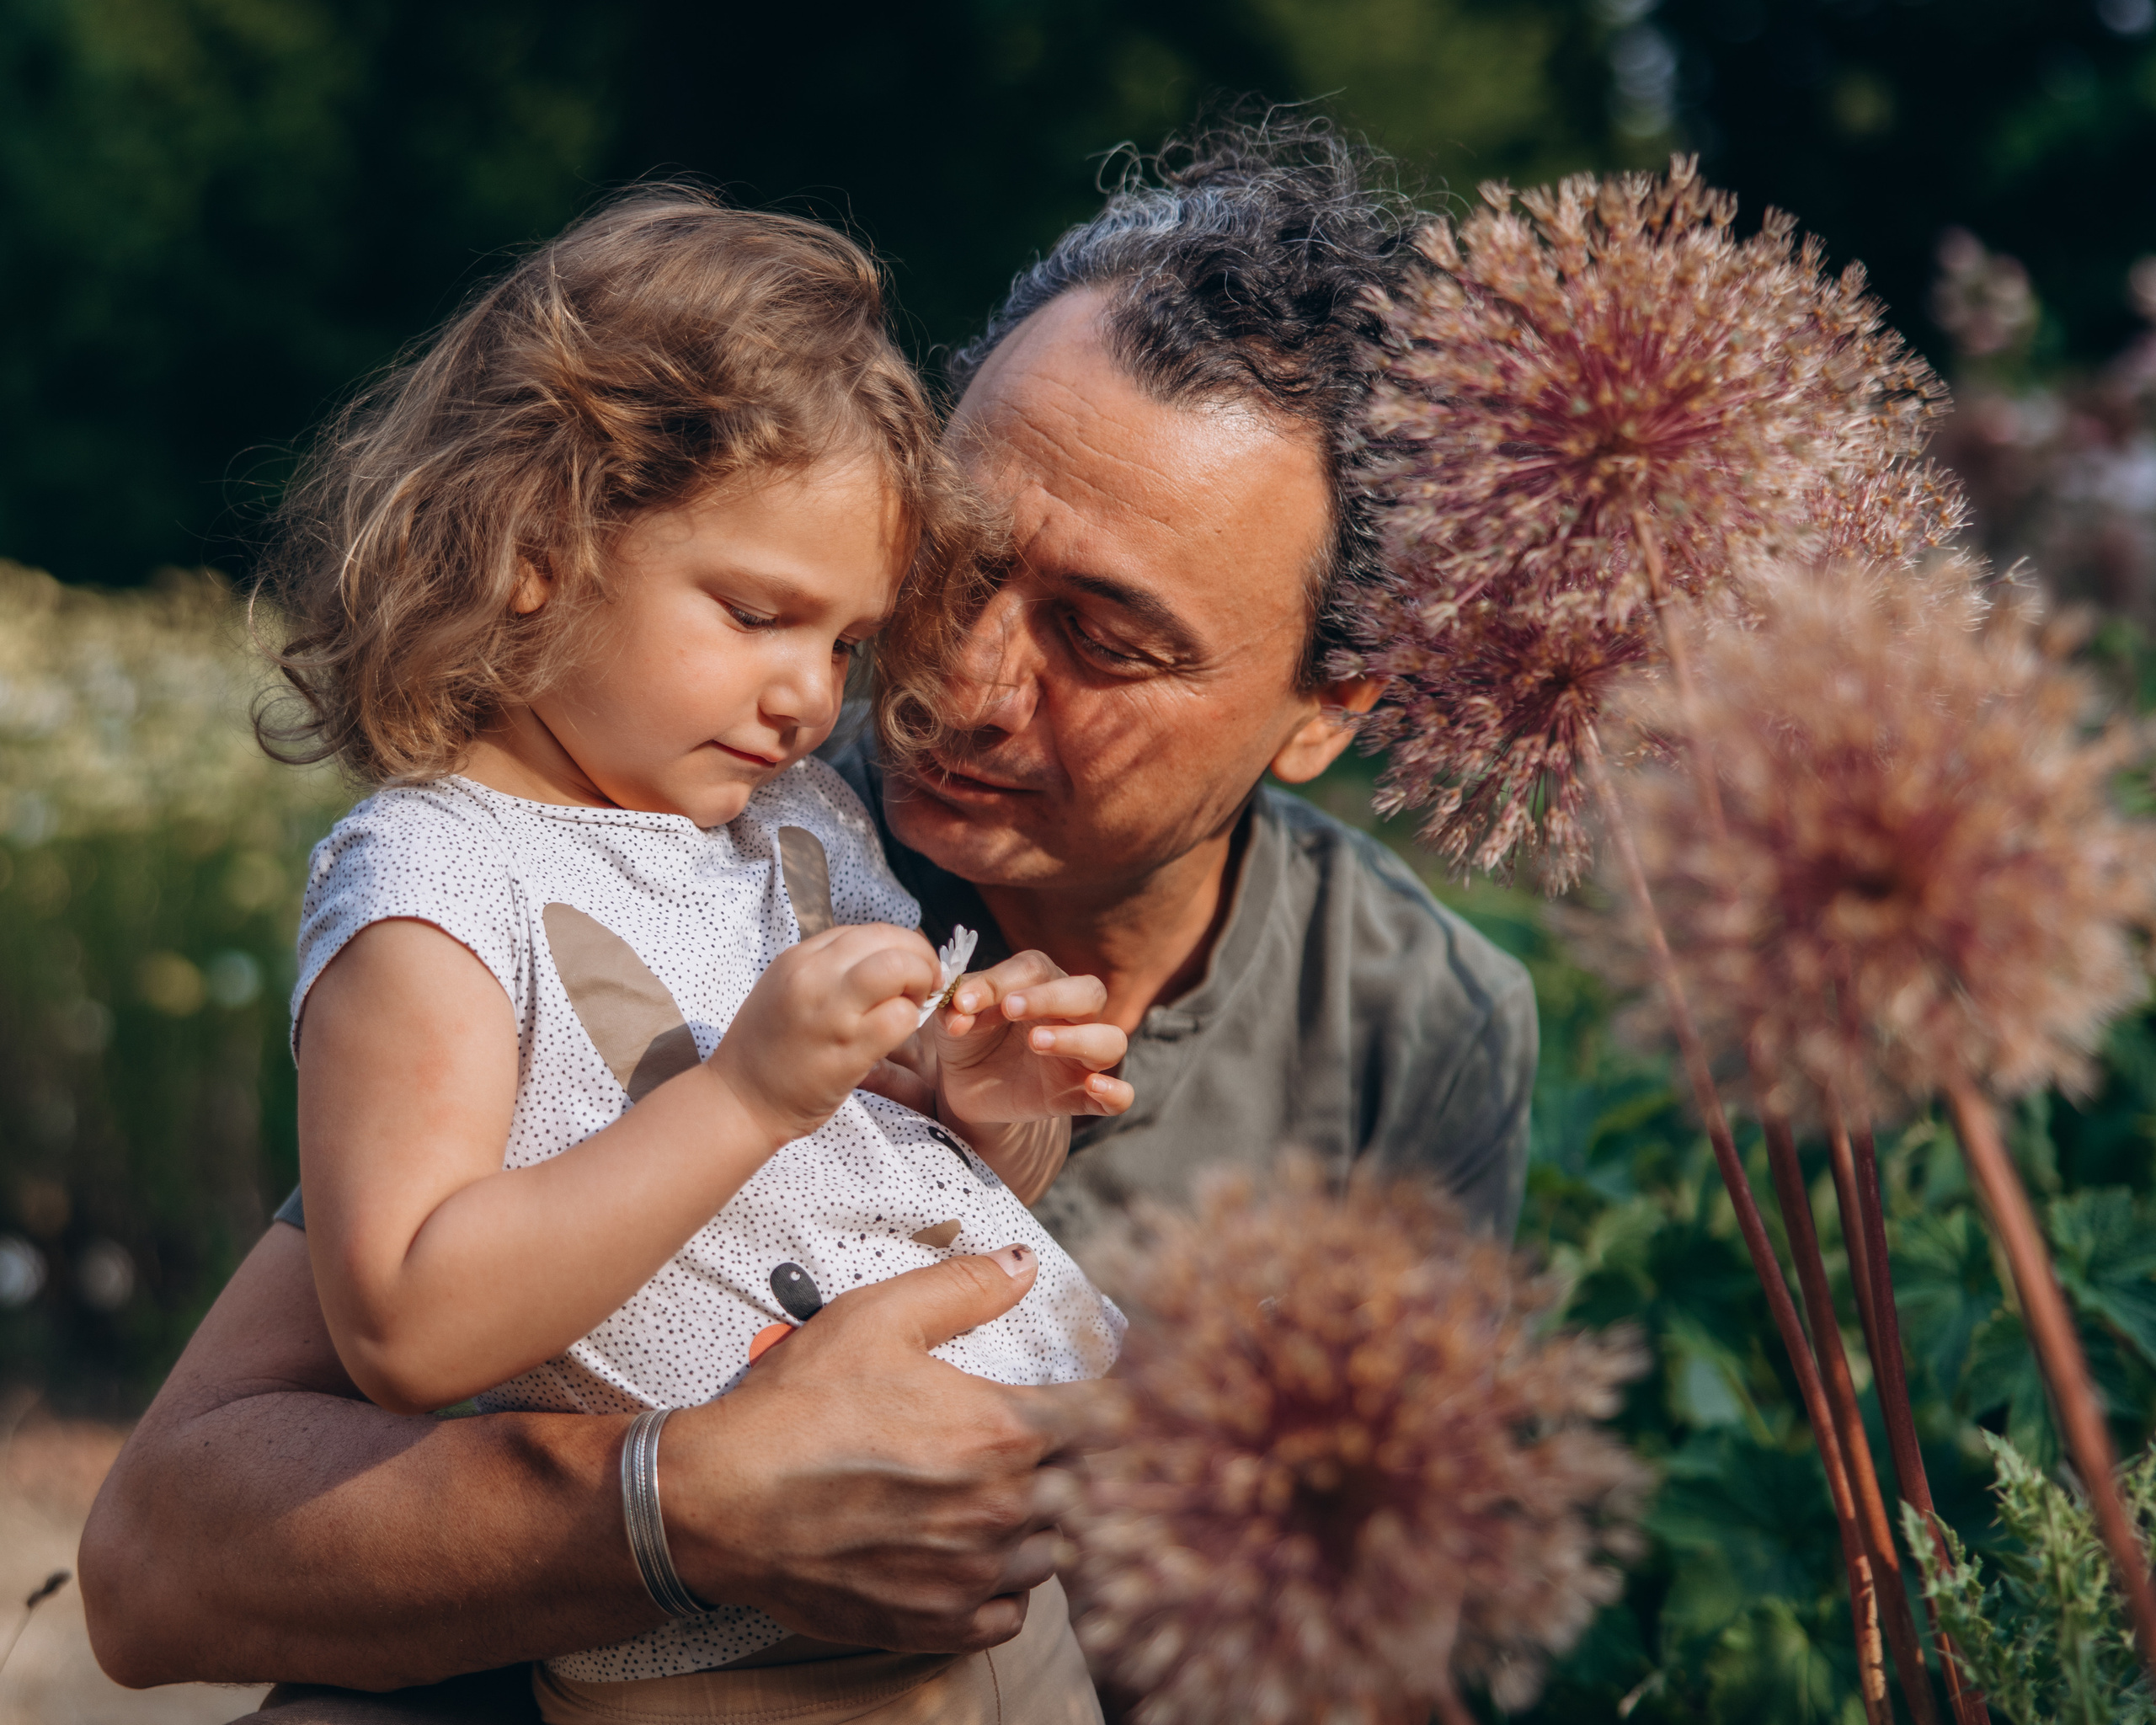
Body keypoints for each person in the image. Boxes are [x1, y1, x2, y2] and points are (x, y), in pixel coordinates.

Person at [79, 118, 1536, 1720]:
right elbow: (156, 1569)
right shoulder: (681, 836)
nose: (956, 685)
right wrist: (680, 1502)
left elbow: (1372, 1641)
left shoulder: (1422, 1021)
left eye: (1103, 639)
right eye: (955, 570)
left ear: (1331, 708)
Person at [252, 187, 1135, 1725]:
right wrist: (743, 1097)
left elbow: (892, 1175)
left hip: (990, 1588)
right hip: (751, 1652)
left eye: (847, 644)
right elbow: (407, 1318)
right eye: (756, 614)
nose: (810, 694)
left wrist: (979, 1087)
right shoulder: (435, 888)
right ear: (535, 547)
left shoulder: (784, 824)